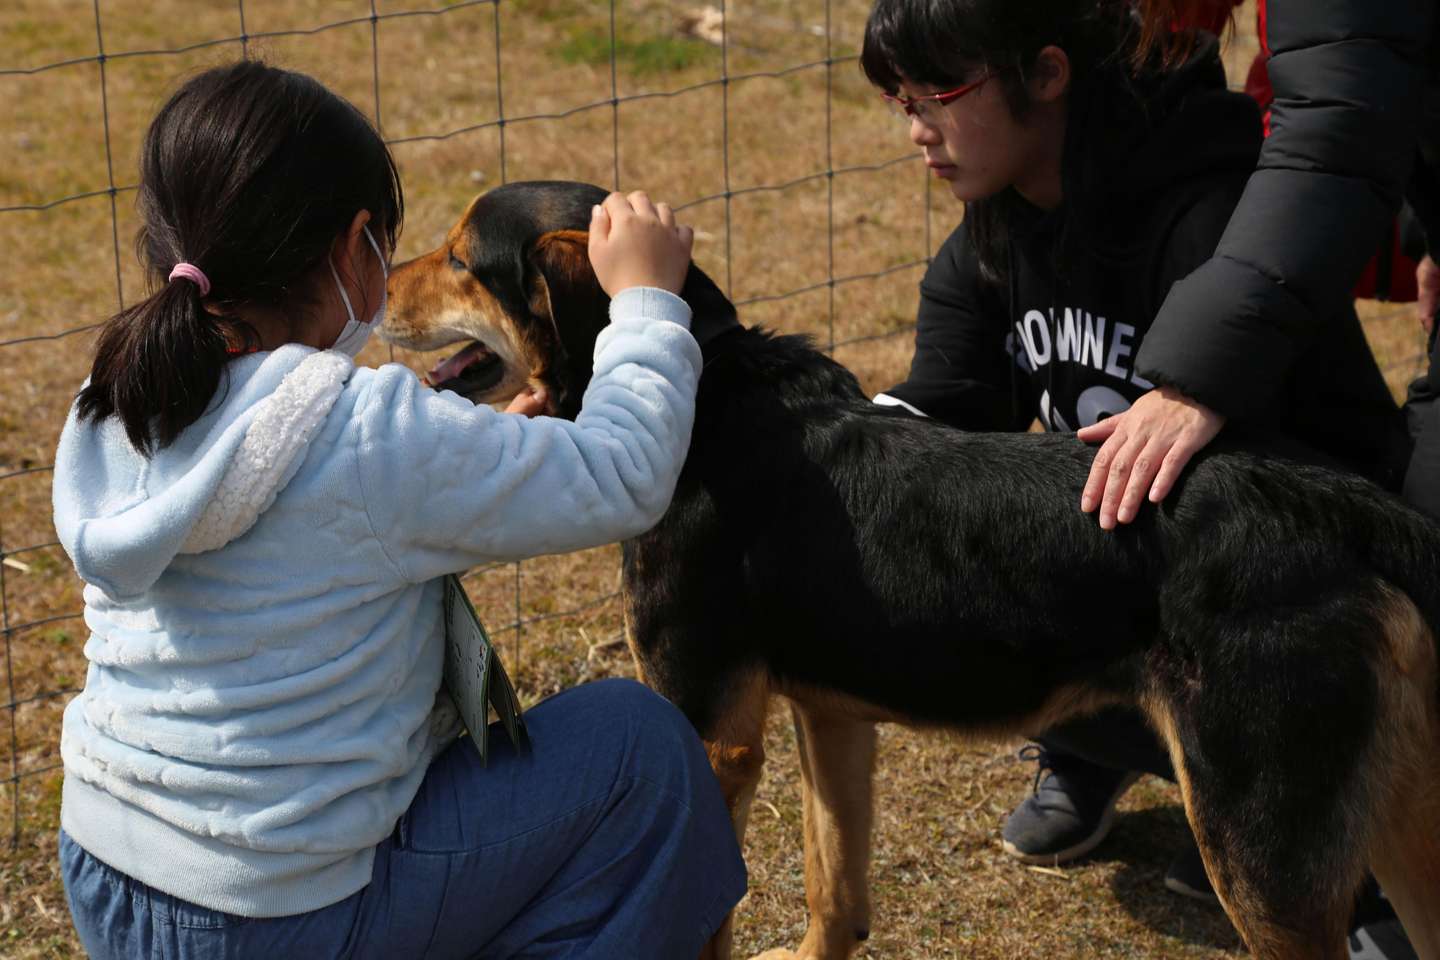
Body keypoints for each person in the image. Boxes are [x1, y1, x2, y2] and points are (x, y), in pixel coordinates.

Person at [53, 60, 745, 959]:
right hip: (283, 916)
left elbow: (313, 524)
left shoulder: (119, 400)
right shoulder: (370, 429)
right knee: (638, 745)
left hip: (107, 871)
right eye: (389, 246)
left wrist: (462, 448)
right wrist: (648, 304)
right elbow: (624, 471)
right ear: (353, 252)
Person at [860, 0, 1410, 920]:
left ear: (1047, 72)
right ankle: (1098, 748)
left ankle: (1331, 833)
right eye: (899, 100)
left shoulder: (1207, 219)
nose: (918, 131)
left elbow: (1265, 511)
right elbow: (932, 417)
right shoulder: (989, 239)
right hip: (1154, 587)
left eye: (940, 94)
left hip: (1307, 593)